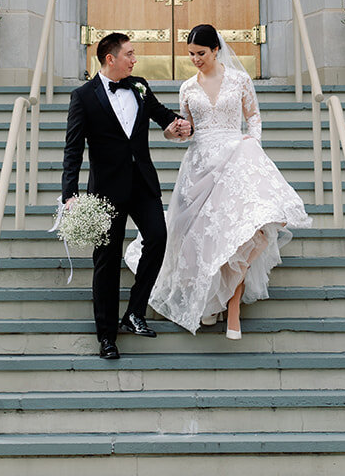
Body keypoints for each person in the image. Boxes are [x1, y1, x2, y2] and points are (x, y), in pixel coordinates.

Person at [126, 23, 310, 338]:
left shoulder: (239, 79)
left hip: (235, 158)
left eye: (200, 53)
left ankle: (232, 304)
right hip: (198, 165)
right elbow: (187, 129)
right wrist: (173, 132)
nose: (195, 59)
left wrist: (253, 142)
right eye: (191, 54)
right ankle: (209, 305)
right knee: (198, 238)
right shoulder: (187, 88)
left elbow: (253, 116)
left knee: (241, 232)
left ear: (215, 50)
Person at [60, 32, 192, 361]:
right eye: (129, 54)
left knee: (159, 238)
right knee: (106, 262)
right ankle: (106, 336)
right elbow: (73, 149)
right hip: (106, 191)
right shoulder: (83, 96)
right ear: (111, 59)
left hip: (142, 184)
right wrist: (70, 194)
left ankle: (134, 311)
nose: (134, 60)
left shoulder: (139, 86)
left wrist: (183, 124)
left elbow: (162, 114)